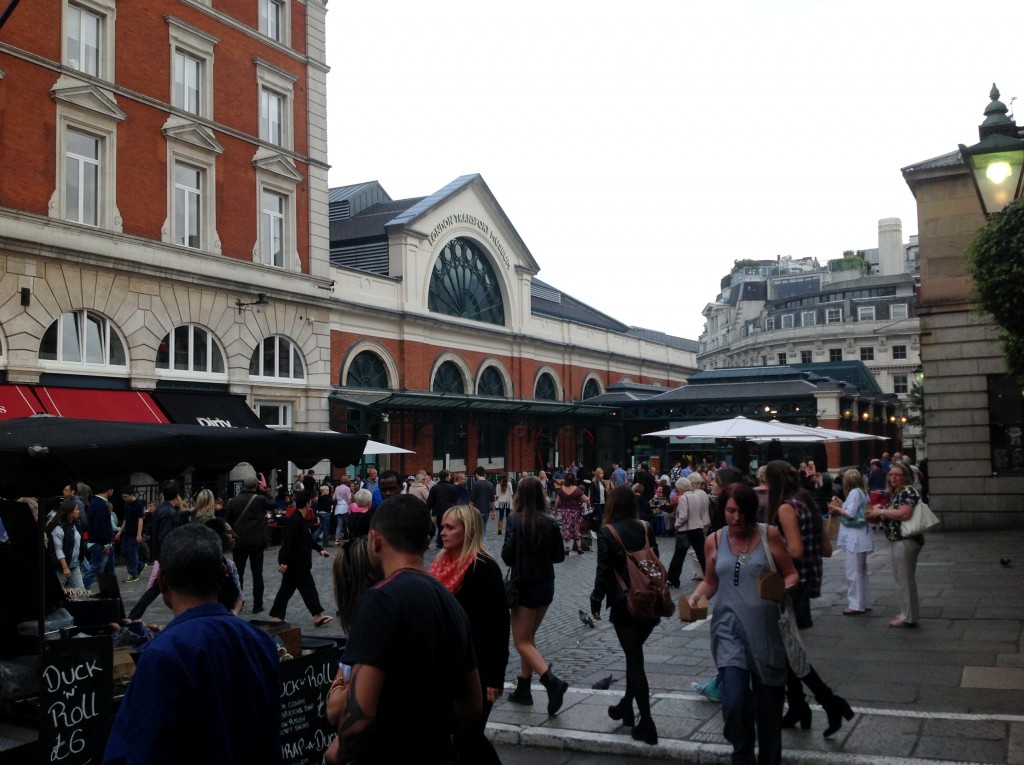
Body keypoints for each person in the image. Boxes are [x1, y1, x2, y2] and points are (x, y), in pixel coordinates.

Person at [102, 524, 282, 765]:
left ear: (162, 581)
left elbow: (141, 749)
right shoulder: (262, 643)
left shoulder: (163, 655)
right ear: (223, 576)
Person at [324, 494, 481, 765]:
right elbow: (473, 704)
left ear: (375, 540)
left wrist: (337, 754)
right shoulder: (449, 601)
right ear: (426, 542)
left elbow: (360, 714)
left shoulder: (381, 598)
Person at [688, 483, 799, 765]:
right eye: (730, 511)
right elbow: (711, 580)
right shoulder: (713, 540)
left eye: (741, 511)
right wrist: (696, 597)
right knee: (734, 700)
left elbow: (791, 574)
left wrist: (781, 589)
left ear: (751, 510)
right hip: (729, 631)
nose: (736, 517)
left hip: (766, 633)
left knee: (769, 713)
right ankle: (742, 753)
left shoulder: (768, 535)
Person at [764, 460, 852, 737]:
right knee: (787, 651)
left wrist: (768, 549)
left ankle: (828, 702)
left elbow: (796, 550)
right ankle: (799, 706)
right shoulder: (806, 501)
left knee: (789, 651)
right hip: (807, 581)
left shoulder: (786, 507)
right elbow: (826, 549)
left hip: (791, 584)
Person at [430, 504, 510, 764]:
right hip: (446, 669)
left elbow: (498, 627)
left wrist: (495, 678)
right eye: (442, 526)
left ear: (469, 531)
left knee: (468, 736)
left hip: (478, 669)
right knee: (462, 737)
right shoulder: (440, 564)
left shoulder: (484, 568)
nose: (443, 532)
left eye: (450, 527)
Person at [589, 485, 662, 745]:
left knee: (634, 660)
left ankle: (648, 723)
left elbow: (603, 569)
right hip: (650, 601)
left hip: (624, 603)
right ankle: (626, 707)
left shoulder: (607, 531)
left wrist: (596, 598)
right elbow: (655, 560)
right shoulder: (646, 527)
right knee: (634, 656)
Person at [501, 475, 569, 714]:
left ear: (519, 495)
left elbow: (507, 555)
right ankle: (524, 688)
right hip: (546, 584)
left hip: (524, 585)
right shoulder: (550, 521)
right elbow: (559, 556)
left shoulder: (514, 519)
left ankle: (551, 682)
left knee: (521, 641)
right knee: (528, 639)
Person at [866, 461, 923, 628]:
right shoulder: (896, 493)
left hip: (905, 540)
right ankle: (908, 613)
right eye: (891, 474)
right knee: (902, 579)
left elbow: (905, 514)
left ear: (905, 476)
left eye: (897, 475)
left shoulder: (907, 491)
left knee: (904, 580)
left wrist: (882, 511)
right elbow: (894, 514)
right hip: (898, 540)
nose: (893, 477)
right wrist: (878, 515)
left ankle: (908, 617)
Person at [268, 491, 334, 628]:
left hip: (298, 563)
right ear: (308, 504)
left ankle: (277, 616)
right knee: (306, 589)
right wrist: (284, 562)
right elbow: (287, 542)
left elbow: (307, 539)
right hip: (295, 563)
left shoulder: (300, 520)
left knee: (289, 590)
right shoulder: (295, 520)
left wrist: (319, 549)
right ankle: (316, 616)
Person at [128, 482, 193, 622]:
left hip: (164, 557)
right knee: (178, 588)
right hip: (170, 558)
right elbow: (165, 536)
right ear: (177, 495)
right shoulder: (168, 512)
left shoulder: (163, 509)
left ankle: (134, 615)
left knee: (159, 588)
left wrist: (188, 512)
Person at [225, 473, 274, 614]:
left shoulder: (233, 501)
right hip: (257, 542)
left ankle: (238, 603)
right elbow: (273, 503)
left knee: (238, 573)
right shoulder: (260, 499)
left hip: (239, 541)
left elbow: (227, 521)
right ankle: (258, 605)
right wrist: (264, 491)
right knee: (257, 573)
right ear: (256, 486)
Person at [829, 468, 874, 615]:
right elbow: (855, 510)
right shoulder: (863, 493)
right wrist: (842, 503)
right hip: (861, 536)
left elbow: (850, 514)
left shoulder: (854, 492)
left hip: (854, 538)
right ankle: (864, 601)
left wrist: (836, 509)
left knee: (853, 572)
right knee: (861, 572)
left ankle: (855, 604)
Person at [666, 477, 707, 588]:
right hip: (697, 528)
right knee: (702, 555)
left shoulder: (683, 498)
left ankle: (673, 579)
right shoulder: (696, 497)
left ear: (681, 487)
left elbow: (683, 516)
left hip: (685, 530)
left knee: (679, 556)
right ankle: (710, 576)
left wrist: (676, 525)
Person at [204, 517, 244, 615]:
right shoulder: (199, 565)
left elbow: (239, 597)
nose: (234, 535)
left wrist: (233, 613)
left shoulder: (230, 565)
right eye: (229, 532)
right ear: (217, 536)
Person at [47, 499, 85, 589]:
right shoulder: (58, 529)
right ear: (69, 512)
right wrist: (65, 567)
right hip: (60, 566)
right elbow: (58, 549)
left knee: (81, 590)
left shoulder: (75, 524)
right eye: (76, 509)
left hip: (74, 564)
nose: (78, 511)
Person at [84, 485, 116, 588]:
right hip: (100, 543)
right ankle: (83, 589)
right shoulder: (100, 504)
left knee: (109, 571)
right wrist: (105, 543)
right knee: (96, 571)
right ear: (109, 490)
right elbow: (100, 525)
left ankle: (110, 591)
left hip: (102, 542)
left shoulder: (96, 502)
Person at [555, 472, 591, 555]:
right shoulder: (577, 489)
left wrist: (555, 510)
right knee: (576, 528)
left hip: (565, 511)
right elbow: (586, 500)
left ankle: (567, 549)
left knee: (566, 528)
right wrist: (588, 506)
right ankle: (579, 548)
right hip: (576, 511)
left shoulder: (561, 490)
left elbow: (557, 501)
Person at [119, 486, 146, 584]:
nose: (124, 498)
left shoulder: (138, 505)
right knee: (124, 552)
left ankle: (133, 574)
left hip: (134, 533)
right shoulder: (127, 504)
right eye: (123, 496)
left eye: (126, 496)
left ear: (131, 495)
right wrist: (120, 531)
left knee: (132, 553)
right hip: (127, 532)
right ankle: (139, 565)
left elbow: (140, 520)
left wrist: (139, 534)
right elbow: (126, 519)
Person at [427, 469, 460, 549]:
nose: (450, 477)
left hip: (438, 512)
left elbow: (430, 501)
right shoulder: (452, 487)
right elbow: (456, 501)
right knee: (449, 527)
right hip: (449, 511)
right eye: (449, 476)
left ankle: (440, 543)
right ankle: (446, 542)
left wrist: (428, 510)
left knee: (440, 527)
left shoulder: (435, 488)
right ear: (446, 477)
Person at [469, 466, 496, 535]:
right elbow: (493, 500)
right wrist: (494, 511)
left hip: (477, 510)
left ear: (476, 474)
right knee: (484, 530)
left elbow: (472, 500)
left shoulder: (475, 484)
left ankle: (482, 541)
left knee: (478, 532)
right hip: (487, 510)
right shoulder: (490, 484)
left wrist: (469, 511)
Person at [332, 476, 352, 545]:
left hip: (338, 506)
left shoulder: (337, 488)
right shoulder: (347, 488)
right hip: (345, 506)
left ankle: (337, 540)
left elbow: (334, 497)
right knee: (348, 523)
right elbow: (349, 498)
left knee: (339, 524)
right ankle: (350, 537)